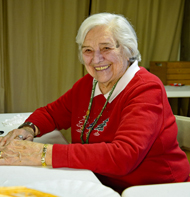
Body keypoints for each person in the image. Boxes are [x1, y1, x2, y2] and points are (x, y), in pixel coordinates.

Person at [0, 13, 189, 194]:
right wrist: (27, 129)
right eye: (88, 50)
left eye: (106, 48)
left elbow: (123, 156)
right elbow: (52, 113)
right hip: (98, 181)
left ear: (127, 49)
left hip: (152, 189)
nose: (96, 59)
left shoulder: (146, 88)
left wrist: (42, 153)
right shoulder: (89, 85)